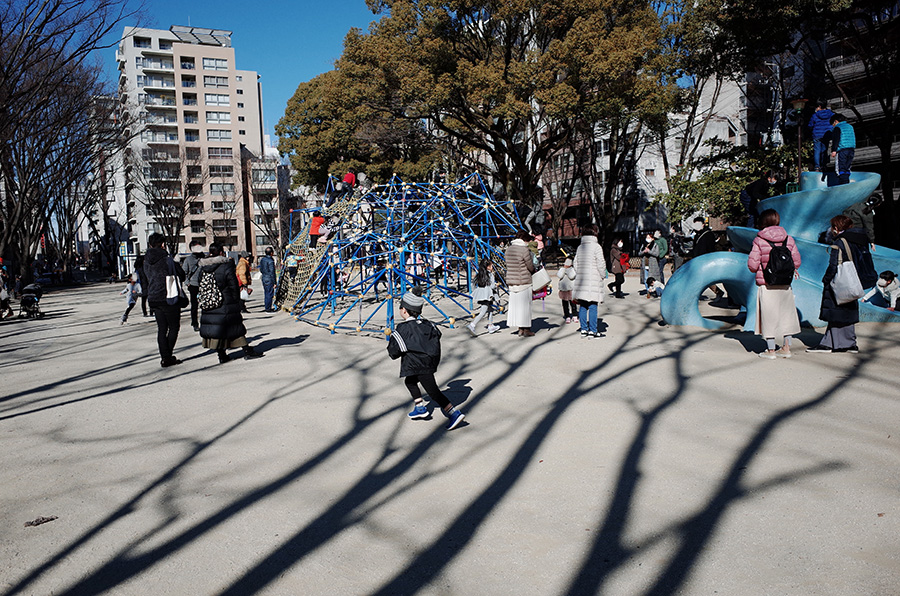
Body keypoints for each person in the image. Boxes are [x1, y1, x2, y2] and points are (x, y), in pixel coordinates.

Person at [387, 286, 466, 431]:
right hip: (429, 361)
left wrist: (395, 352)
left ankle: (453, 413)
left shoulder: (403, 329)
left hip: (418, 364)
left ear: (404, 310)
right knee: (410, 381)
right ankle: (420, 407)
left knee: (433, 391)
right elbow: (437, 335)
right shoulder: (428, 324)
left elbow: (394, 350)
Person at [808, 215, 872, 354]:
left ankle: (833, 344)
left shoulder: (840, 242)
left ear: (836, 228)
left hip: (841, 281)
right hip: (854, 281)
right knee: (847, 312)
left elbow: (834, 265)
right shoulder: (860, 240)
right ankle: (847, 343)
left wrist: (826, 280)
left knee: (836, 311)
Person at [747, 209, 802, 359]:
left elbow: (752, 265)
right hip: (785, 283)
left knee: (768, 316)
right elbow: (797, 262)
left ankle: (771, 351)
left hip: (767, 282)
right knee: (787, 315)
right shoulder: (788, 239)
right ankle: (786, 348)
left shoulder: (759, 240)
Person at [198, 243, 264, 363]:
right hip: (226, 302)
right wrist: (236, 300)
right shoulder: (225, 266)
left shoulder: (203, 268)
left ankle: (222, 354)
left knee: (217, 330)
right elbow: (233, 285)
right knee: (236, 327)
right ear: (222, 253)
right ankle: (247, 350)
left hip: (210, 303)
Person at [143, 233, 185, 367]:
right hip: (168, 297)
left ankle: (165, 356)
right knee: (173, 327)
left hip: (153, 298)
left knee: (162, 329)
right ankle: (167, 357)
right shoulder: (168, 260)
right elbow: (181, 276)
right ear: (162, 244)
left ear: (150, 245)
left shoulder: (146, 261)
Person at [573, 224, 607, 338]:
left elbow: (575, 263)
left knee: (583, 305)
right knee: (593, 305)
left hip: (582, 280)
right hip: (593, 278)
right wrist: (602, 275)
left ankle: (583, 329)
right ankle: (593, 330)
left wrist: (580, 273)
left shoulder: (580, 247)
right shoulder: (596, 247)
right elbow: (601, 264)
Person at [504, 230, 536, 336]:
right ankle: (526, 329)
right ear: (525, 240)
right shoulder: (524, 250)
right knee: (525, 307)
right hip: (524, 281)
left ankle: (520, 329)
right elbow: (530, 266)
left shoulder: (508, 249)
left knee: (516, 306)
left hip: (512, 281)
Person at [691, 217, 725, 301]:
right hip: (697, 259)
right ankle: (718, 292)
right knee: (701, 279)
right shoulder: (697, 235)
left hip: (705, 260)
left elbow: (711, 248)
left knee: (704, 279)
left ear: (703, 224)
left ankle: (718, 292)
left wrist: (710, 260)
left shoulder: (708, 234)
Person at [467, 259, 500, 335]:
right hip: (487, 295)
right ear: (488, 267)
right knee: (483, 311)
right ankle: (472, 325)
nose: (492, 267)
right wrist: (496, 287)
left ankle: (490, 325)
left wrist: (475, 291)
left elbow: (472, 284)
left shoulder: (479, 274)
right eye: (491, 266)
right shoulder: (490, 275)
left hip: (481, 293)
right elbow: (492, 286)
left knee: (490, 309)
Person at [182, 241, 205, 332]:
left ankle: (204, 322)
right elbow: (184, 272)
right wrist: (187, 283)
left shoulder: (204, 258)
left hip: (204, 284)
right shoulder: (188, 260)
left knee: (205, 305)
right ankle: (195, 323)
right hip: (193, 285)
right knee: (194, 306)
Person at [808, 99, 835, 172]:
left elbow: (810, 125)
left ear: (819, 106)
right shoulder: (831, 114)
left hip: (817, 134)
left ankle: (817, 166)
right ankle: (824, 165)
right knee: (824, 150)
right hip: (827, 133)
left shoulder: (815, 115)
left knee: (817, 150)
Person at [830, 114, 856, 185]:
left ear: (836, 121)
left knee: (840, 168)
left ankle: (843, 182)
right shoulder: (850, 127)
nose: (833, 126)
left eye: (833, 124)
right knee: (847, 167)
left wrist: (834, 150)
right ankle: (846, 181)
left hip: (842, 150)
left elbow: (836, 140)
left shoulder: (838, 128)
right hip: (851, 149)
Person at [557, 258, 578, 322]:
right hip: (563, 289)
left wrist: (568, 270)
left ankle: (575, 315)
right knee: (565, 303)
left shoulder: (573, 270)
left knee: (573, 303)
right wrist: (563, 269)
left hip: (571, 288)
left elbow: (571, 276)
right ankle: (567, 315)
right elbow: (559, 275)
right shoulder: (561, 269)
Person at [259, 247, 277, 312]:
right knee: (269, 294)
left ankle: (267, 307)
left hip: (264, 278)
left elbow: (261, 269)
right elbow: (272, 272)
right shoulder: (271, 261)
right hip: (269, 279)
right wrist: (275, 282)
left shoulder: (262, 259)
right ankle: (268, 308)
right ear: (271, 253)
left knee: (266, 293)